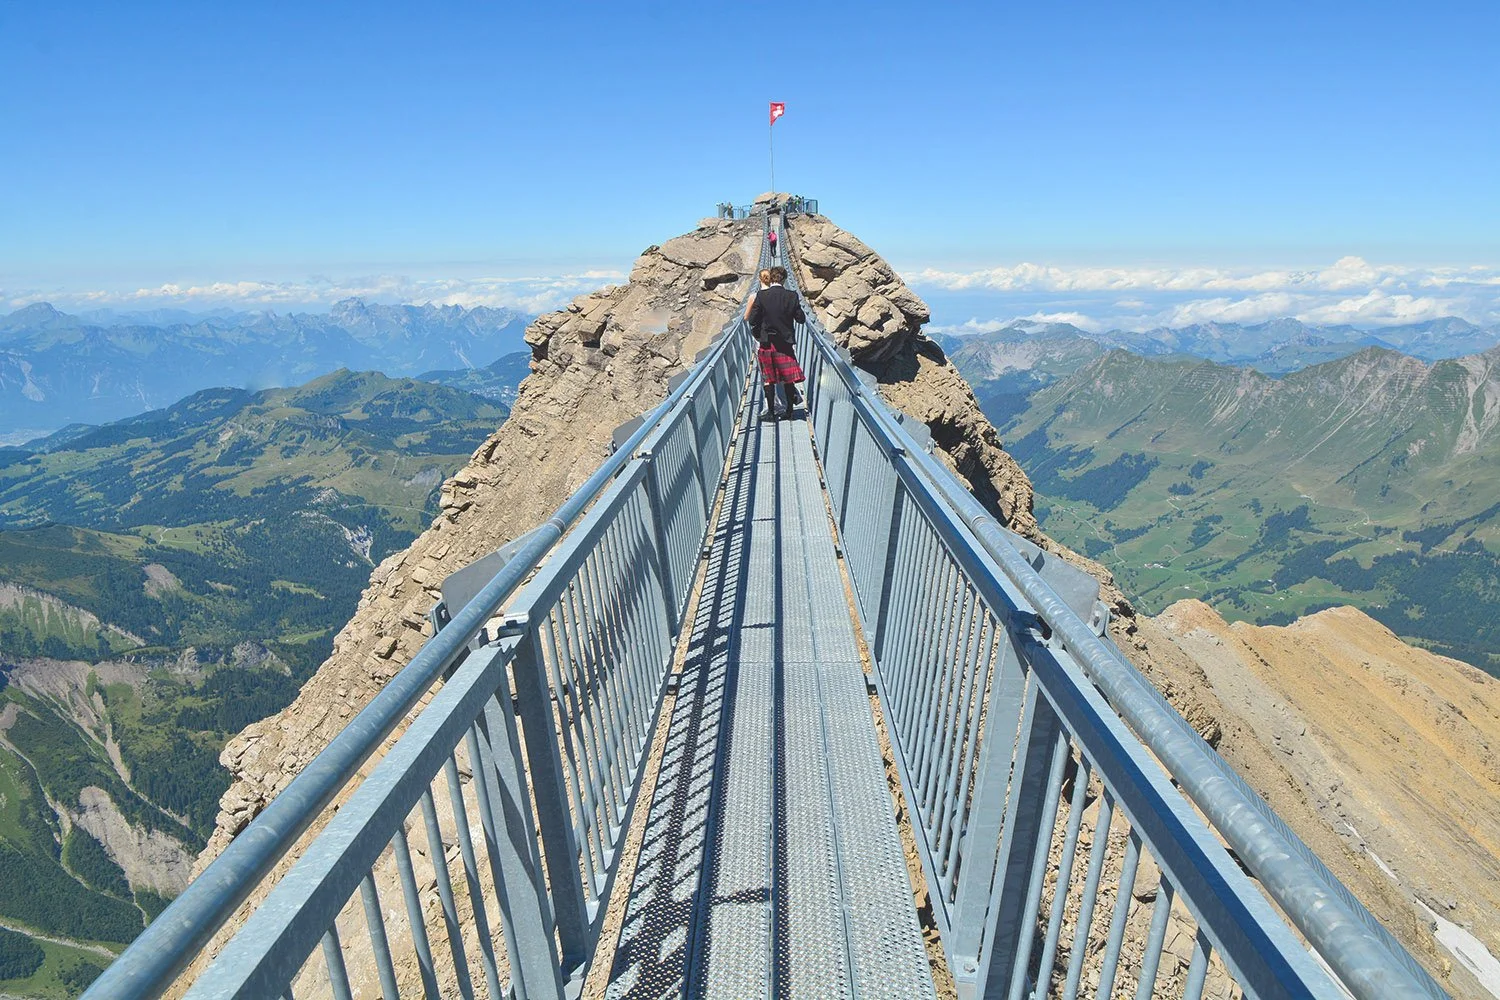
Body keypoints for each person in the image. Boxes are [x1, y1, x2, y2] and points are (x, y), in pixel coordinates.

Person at [746, 265, 806, 420]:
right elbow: (801, 319)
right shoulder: (792, 296)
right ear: (784, 279)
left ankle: (771, 413)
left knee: (768, 379)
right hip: (785, 344)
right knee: (788, 379)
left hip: (766, 343)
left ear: (771, 278)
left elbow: (752, 320)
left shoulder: (761, 295)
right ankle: (789, 412)